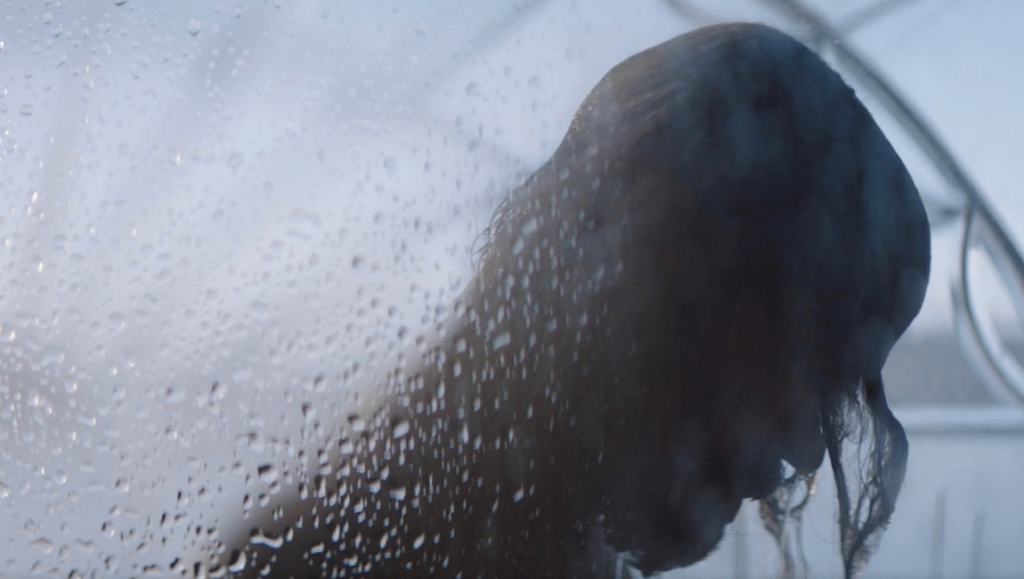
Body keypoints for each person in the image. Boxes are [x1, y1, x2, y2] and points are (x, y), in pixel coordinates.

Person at [212, 22, 930, 579]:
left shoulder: (517, 519)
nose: (810, 444)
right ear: (657, 277)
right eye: (803, 361)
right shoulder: (341, 552)